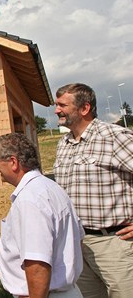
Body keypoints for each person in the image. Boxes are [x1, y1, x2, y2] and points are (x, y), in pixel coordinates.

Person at [53, 83, 133, 298]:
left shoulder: (114, 137)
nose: (56, 110)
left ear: (84, 108)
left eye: (62, 105)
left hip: (114, 245)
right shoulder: (64, 144)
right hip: (77, 245)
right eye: (56, 104)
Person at [0, 133, 84, 298]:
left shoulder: (30, 199)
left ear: (13, 162)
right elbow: (77, 238)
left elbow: (37, 263)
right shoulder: (51, 188)